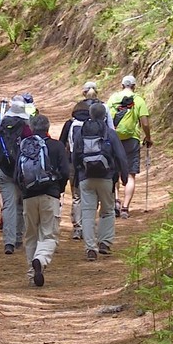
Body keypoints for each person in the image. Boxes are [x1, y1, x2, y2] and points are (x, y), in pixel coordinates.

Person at [13, 111, 71, 287]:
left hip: (29, 197)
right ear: (48, 128)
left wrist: (24, 192)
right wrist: (58, 189)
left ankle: (32, 274)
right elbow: (66, 172)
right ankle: (40, 259)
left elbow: (17, 174)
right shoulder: (56, 146)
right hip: (49, 195)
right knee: (48, 234)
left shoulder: (25, 146)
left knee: (30, 236)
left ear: (31, 128)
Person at [69, 95, 123, 258]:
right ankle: (105, 242)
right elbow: (120, 156)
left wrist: (78, 173)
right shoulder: (110, 133)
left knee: (87, 212)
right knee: (107, 210)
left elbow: (75, 155)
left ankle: (90, 248)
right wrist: (123, 175)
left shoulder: (81, 131)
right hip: (106, 177)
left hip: (85, 177)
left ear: (90, 114)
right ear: (105, 116)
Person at [0, 94, 31, 254]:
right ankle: (19, 238)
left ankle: (9, 242)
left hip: (4, 171)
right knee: (21, 204)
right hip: (21, 172)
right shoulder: (26, 129)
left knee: (9, 206)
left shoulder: (2, 126)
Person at [108, 73, 151, 209]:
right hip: (132, 139)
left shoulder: (113, 98)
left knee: (115, 171)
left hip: (114, 139)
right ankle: (126, 207)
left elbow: (106, 117)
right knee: (130, 174)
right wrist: (148, 137)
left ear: (122, 85)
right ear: (134, 86)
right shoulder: (138, 100)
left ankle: (116, 201)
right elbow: (144, 122)